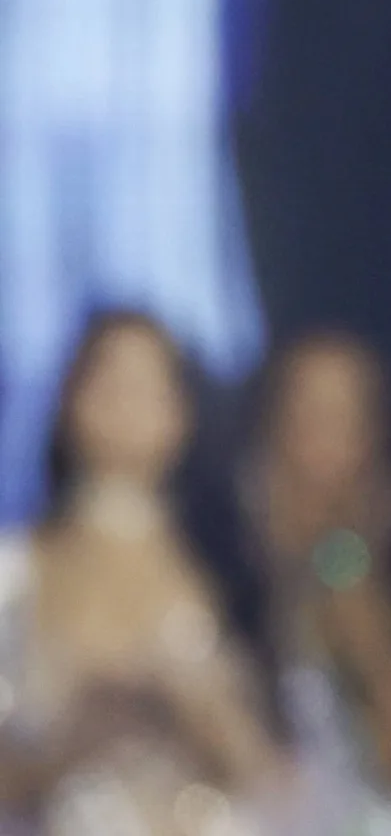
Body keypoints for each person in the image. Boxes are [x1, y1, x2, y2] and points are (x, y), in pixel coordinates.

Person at [0, 311, 287, 836]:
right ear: (70, 397)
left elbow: (278, 774)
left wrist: (204, 713)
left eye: (149, 385)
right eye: (108, 379)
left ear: (183, 413)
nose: (125, 403)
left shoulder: (227, 570)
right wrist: (69, 745)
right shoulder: (17, 570)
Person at [241, 331, 391, 835]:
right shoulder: (222, 555)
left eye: (346, 417)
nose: (322, 438)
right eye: (306, 413)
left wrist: (364, 621)